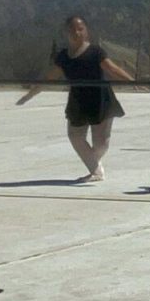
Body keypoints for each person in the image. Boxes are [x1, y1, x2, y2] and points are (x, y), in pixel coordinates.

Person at [16, 15, 135, 182]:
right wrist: (30, 95)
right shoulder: (63, 57)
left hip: (100, 98)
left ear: (86, 31)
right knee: (75, 136)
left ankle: (94, 167)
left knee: (101, 143)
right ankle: (96, 171)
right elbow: (49, 79)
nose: (77, 33)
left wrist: (132, 82)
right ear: (66, 32)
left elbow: (112, 69)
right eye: (73, 30)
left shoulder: (95, 52)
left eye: (81, 29)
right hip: (78, 101)